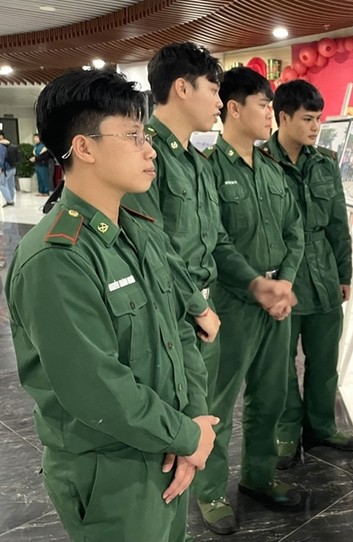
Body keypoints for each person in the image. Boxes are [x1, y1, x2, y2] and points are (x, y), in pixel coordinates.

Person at [5, 68, 219, 542]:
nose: (149, 150)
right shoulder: (55, 259)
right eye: (134, 136)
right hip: (112, 473)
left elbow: (178, 331)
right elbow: (96, 388)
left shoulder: (137, 229)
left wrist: (195, 424)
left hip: (168, 446)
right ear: (84, 148)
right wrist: (187, 436)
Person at [122, 41, 291, 530]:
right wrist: (197, 305)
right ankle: (195, 502)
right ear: (182, 88)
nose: (219, 103)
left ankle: (196, 499)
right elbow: (150, 243)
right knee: (182, 423)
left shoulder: (194, 162)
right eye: (214, 90)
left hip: (201, 312)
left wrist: (255, 283)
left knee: (206, 415)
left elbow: (214, 239)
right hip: (169, 315)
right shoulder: (147, 156)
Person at [194, 67, 305, 534]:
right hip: (234, 303)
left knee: (271, 394)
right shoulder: (208, 170)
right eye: (263, 105)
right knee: (218, 402)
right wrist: (256, 286)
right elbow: (214, 240)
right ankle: (211, 491)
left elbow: (294, 231)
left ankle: (258, 477)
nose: (270, 115)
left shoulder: (273, 169)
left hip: (277, 301)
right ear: (233, 109)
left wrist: (285, 285)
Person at [261, 80, 353, 469]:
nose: (316, 126)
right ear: (282, 117)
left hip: (324, 275)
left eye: (319, 118)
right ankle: (287, 429)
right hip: (282, 274)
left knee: (324, 359)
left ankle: (321, 425)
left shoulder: (326, 163)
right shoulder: (259, 163)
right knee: (281, 362)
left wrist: (345, 273)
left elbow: (338, 222)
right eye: (307, 118)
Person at [0, 131, 16, 207]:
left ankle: (9, 200)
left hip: (6, 169)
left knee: (1, 184)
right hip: (13, 167)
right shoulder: (9, 144)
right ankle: (12, 199)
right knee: (10, 184)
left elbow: (1, 158)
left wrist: (0, 167)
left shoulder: (1, 145)